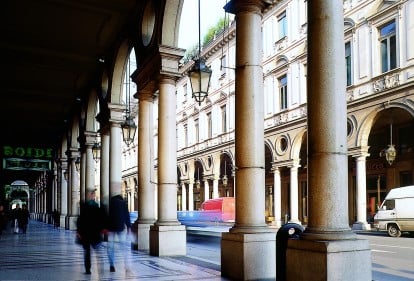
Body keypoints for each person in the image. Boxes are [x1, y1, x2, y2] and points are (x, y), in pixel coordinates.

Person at [76, 188, 107, 275]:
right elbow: (102, 219)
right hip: (95, 233)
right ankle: (101, 268)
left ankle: (88, 269)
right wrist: (102, 229)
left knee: (87, 253)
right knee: (98, 251)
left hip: (86, 234)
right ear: (93, 196)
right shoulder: (97, 207)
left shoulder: (84, 206)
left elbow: (80, 220)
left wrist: (79, 231)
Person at [106, 194, 131, 273]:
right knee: (123, 247)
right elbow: (127, 216)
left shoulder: (111, 203)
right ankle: (126, 265)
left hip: (111, 228)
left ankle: (112, 265)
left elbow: (108, 216)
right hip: (120, 227)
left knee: (110, 248)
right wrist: (129, 227)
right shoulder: (123, 203)